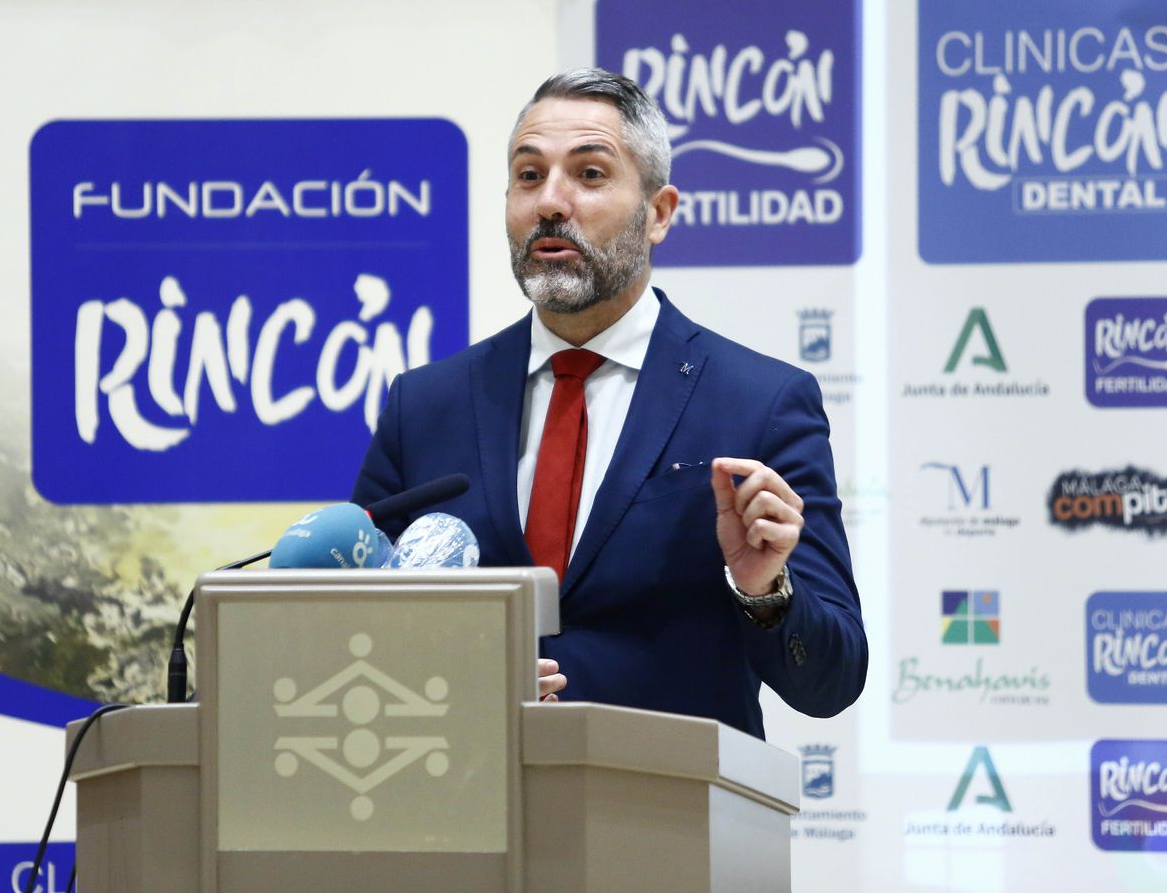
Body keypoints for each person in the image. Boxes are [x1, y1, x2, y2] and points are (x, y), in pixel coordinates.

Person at [352, 69, 866, 738]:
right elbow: (355, 631)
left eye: (590, 175)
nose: (551, 203)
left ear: (659, 213)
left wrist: (764, 591)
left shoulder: (758, 403)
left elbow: (832, 680)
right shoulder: (424, 406)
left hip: (664, 819)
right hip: (455, 808)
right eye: (529, 176)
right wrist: (453, 673)